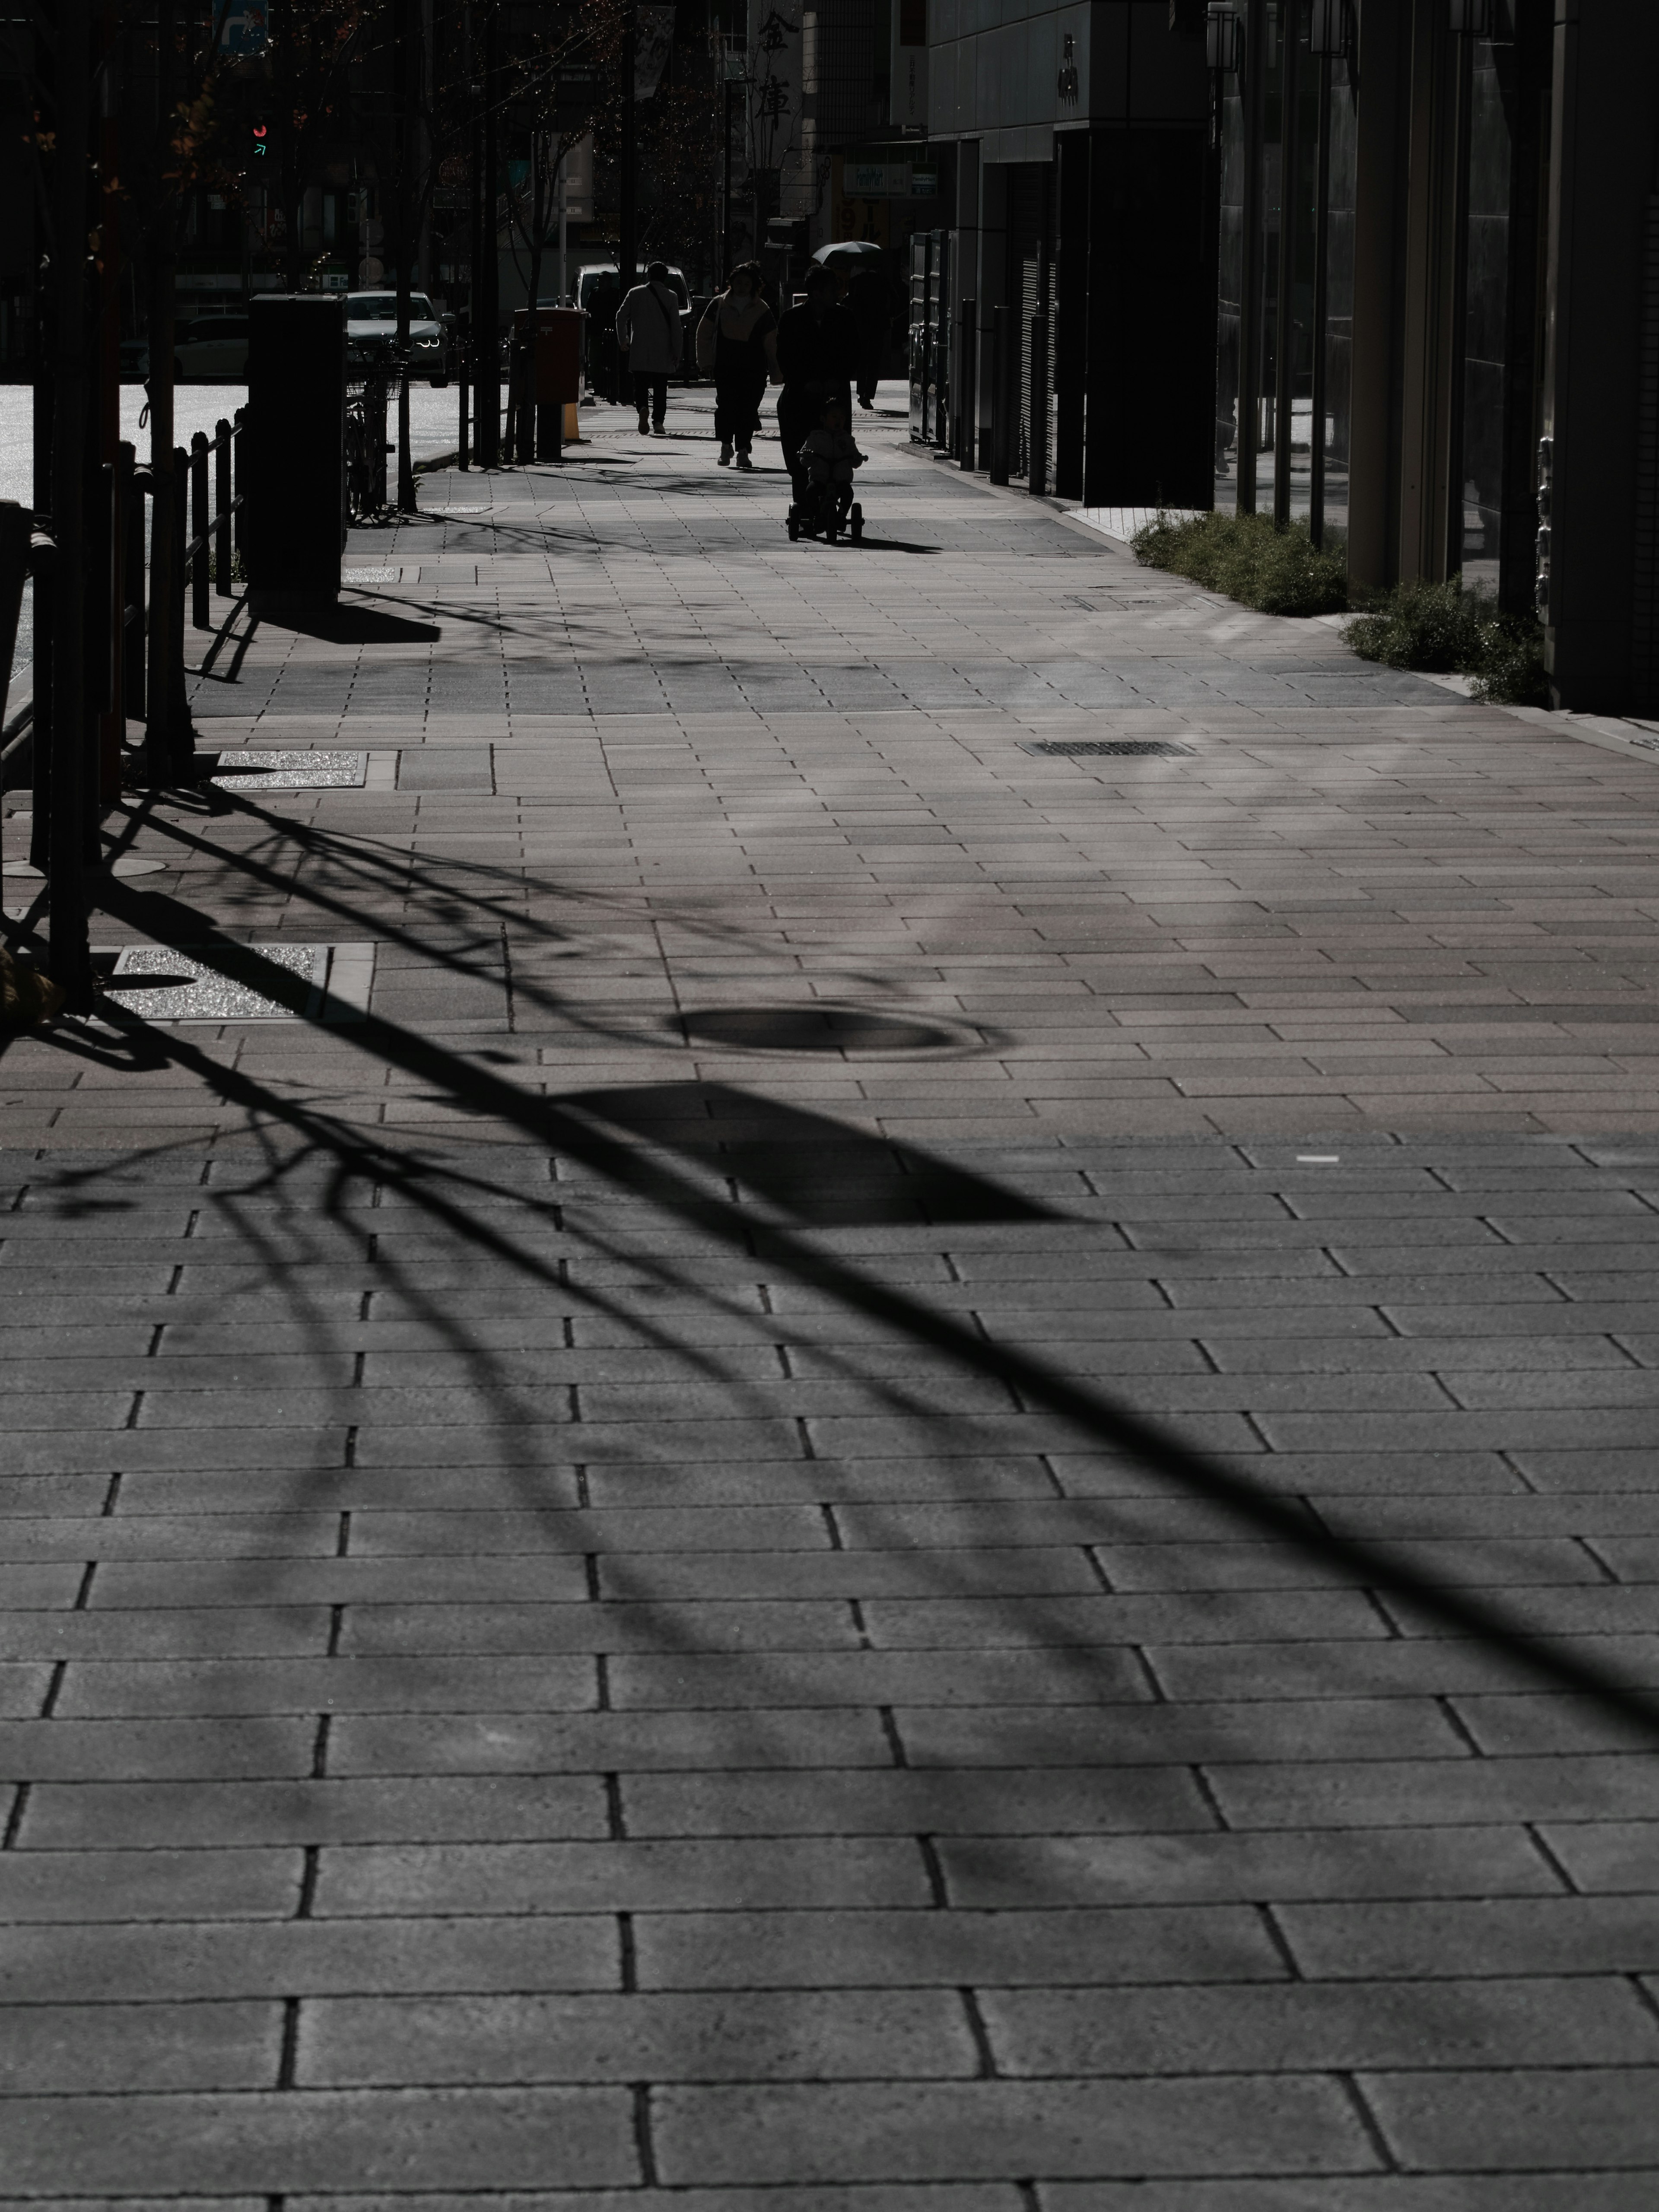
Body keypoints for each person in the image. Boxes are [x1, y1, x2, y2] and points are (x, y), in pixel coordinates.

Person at [773, 262, 860, 502]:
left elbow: (853, 353)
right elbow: (785, 357)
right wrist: (804, 382)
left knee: (836, 449)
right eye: (833, 290)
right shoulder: (792, 319)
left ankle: (834, 503)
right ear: (816, 293)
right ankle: (804, 506)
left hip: (834, 398)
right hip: (801, 396)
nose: (838, 294)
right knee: (801, 454)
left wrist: (837, 380)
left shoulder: (845, 318)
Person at [695, 261, 779, 470]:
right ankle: (726, 445)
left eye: (747, 283)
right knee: (726, 407)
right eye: (738, 282)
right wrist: (705, 361)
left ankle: (743, 451)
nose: (742, 286)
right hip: (726, 365)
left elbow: (772, 342)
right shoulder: (719, 304)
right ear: (731, 283)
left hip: (754, 368)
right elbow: (703, 333)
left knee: (749, 409)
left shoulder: (762, 308)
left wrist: (777, 371)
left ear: (754, 285)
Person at [614, 260, 683, 435]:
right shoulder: (671, 297)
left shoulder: (635, 293)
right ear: (665, 278)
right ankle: (658, 422)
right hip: (663, 350)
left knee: (641, 385)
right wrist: (677, 351)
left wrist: (624, 339)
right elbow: (676, 327)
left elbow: (620, 317)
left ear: (648, 275)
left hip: (640, 348)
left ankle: (642, 408)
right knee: (661, 388)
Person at [797, 396, 864, 525]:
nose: (838, 420)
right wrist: (807, 456)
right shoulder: (816, 438)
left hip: (841, 480)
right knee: (811, 491)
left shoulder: (847, 440)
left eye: (842, 418)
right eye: (834, 417)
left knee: (848, 493)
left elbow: (855, 460)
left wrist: (857, 458)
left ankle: (842, 515)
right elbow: (805, 460)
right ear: (824, 419)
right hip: (820, 479)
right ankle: (818, 516)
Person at [846, 261, 892, 410]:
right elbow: (896, 299)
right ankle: (868, 396)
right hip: (878, 328)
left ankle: (861, 393)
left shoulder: (856, 281)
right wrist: (888, 315)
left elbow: (850, 302)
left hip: (860, 327)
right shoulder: (883, 282)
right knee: (874, 362)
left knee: (862, 361)